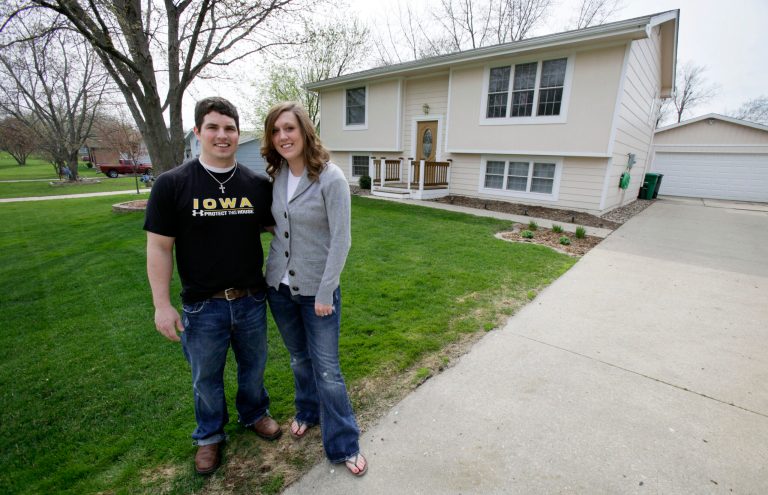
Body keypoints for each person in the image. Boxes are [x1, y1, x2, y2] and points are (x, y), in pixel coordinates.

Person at [144, 97, 281, 475]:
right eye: (214, 128)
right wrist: (161, 305)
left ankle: (254, 413)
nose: (223, 135)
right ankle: (209, 435)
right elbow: (159, 247)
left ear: (238, 133)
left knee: (254, 366)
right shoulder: (172, 184)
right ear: (197, 132)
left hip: (251, 299)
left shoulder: (257, 185)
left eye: (230, 128)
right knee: (205, 377)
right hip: (202, 305)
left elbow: (283, 230)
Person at [261, 102, 367, 476]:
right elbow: (279, 225)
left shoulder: (330, 178)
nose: (283, 137)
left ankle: (344, 443)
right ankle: (307, 411)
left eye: (289, 128)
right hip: (278, 287)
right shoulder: (276, 176)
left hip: (316, 293)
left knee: (327, 371)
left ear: (305, 131)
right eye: (276, 131)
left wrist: (325, 292)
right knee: (298, 359)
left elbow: (341, 240)